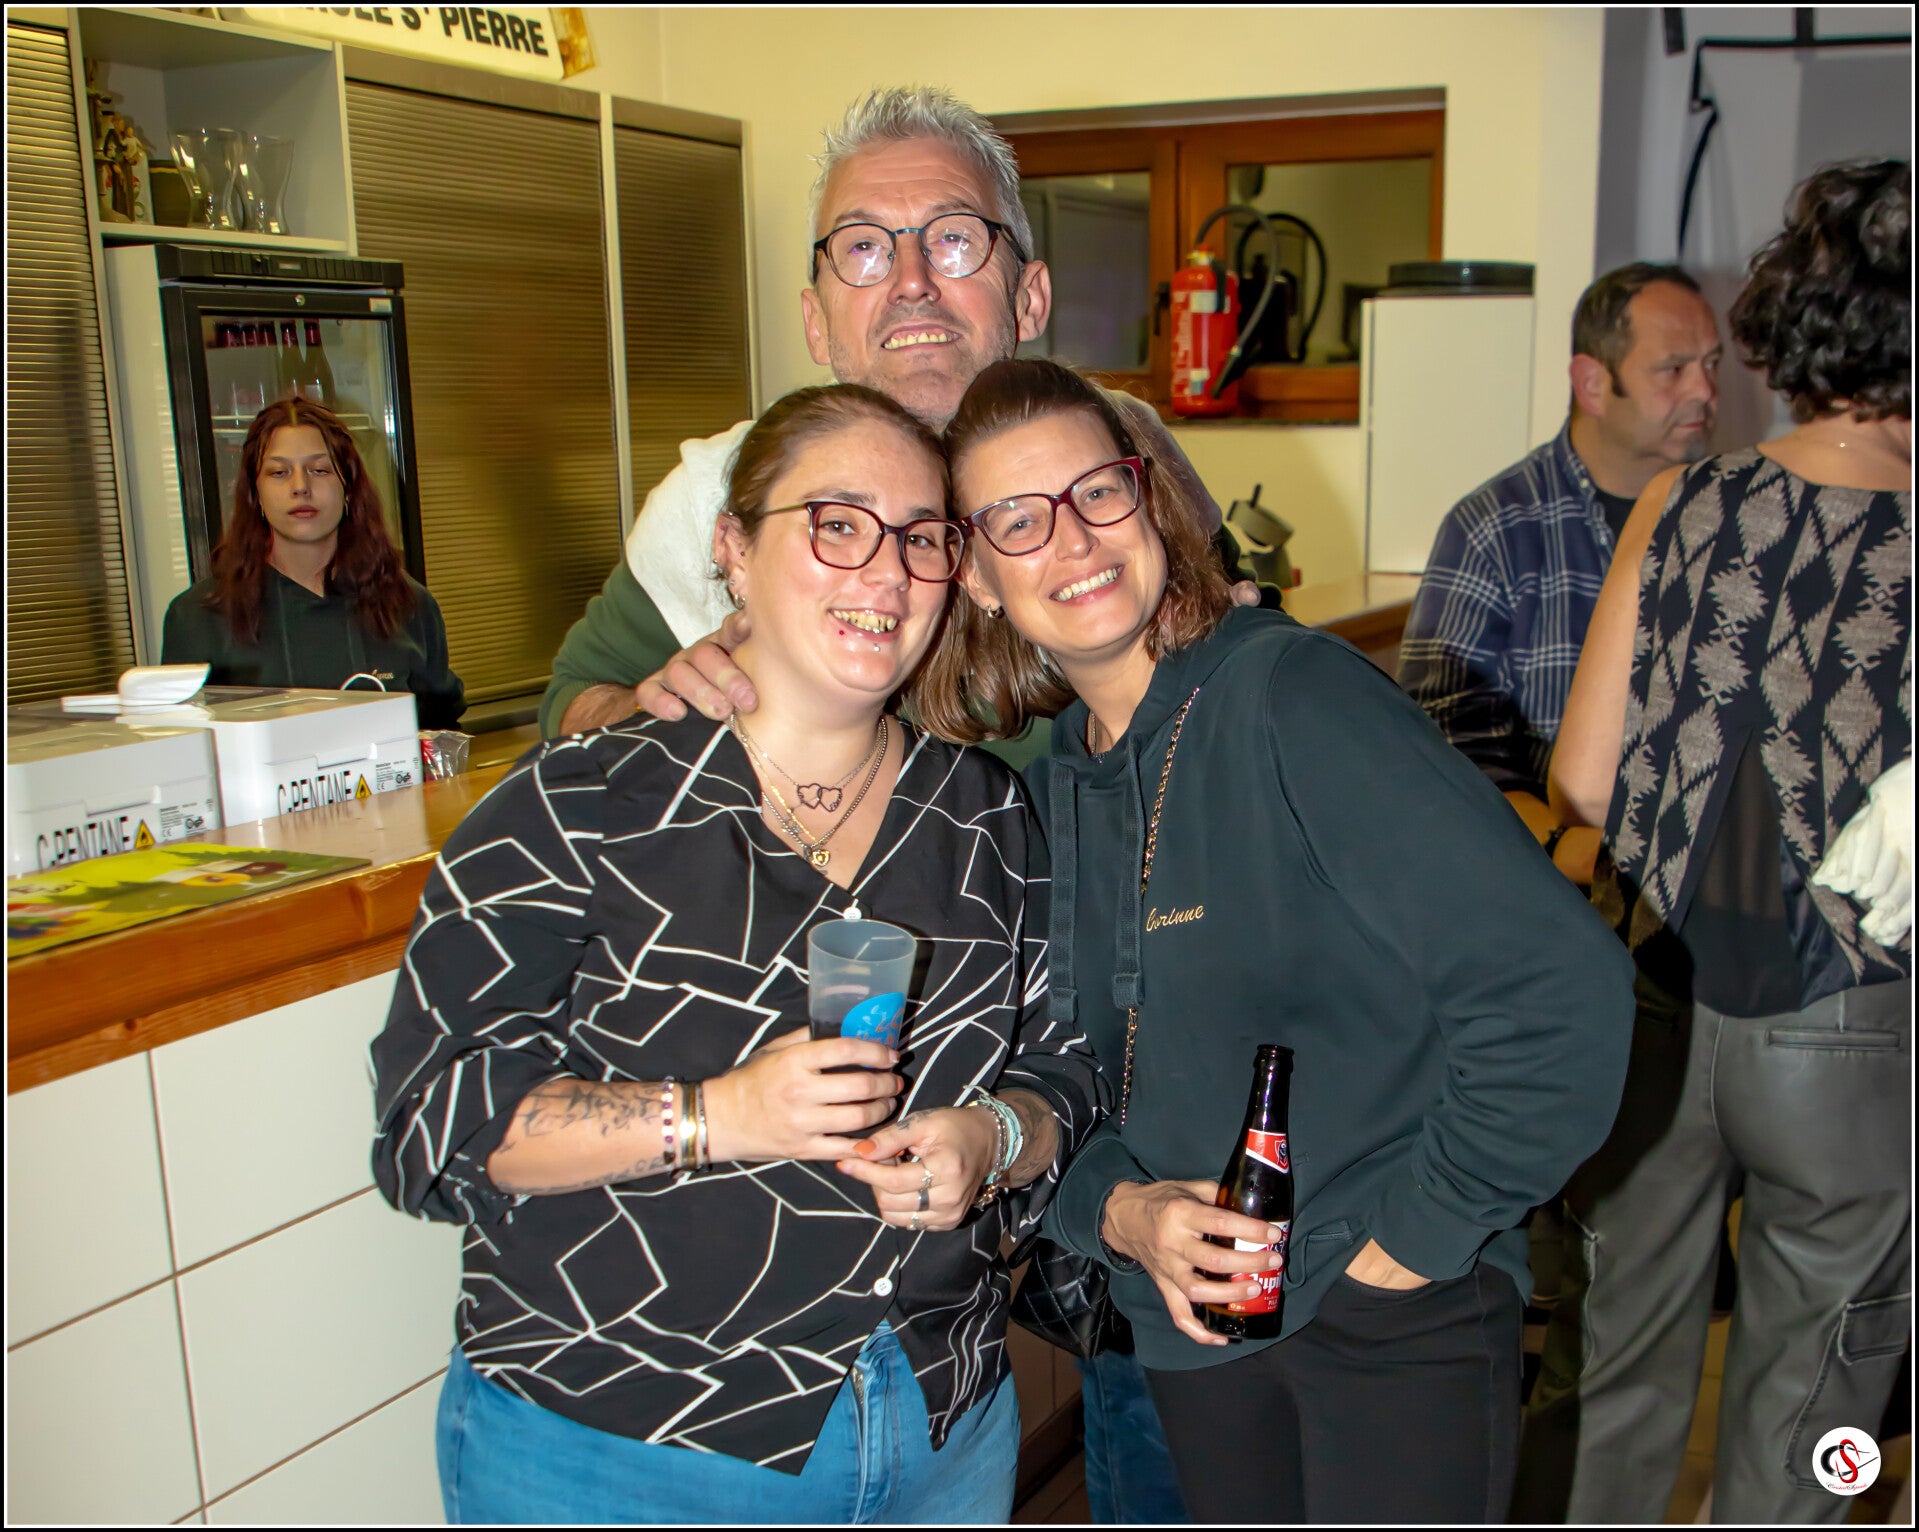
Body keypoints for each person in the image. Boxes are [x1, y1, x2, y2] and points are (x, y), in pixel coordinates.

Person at [547, 84, 1210, 1524]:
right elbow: (570, 722)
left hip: (1123, 1114)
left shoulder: (1109, 488)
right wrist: (653, 703)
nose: (907, 282)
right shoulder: (722, 510)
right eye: (862, 247)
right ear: (814, 312)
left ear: (1028, 290)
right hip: (774, 1236)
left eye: (950, 241)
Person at [913, 356, 1630, 1524]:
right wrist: (1123, 1214)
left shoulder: (1291, 696)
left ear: (1148, 500)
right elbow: (1046, 1081)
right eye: (1016, 518)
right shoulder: (1040, 797)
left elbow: (1561, 990)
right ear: (978, 575)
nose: (1072, 538)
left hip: (1390, 1314)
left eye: (1097, 490)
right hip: (1191, 1332)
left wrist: (1409, 1242)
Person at [370, 385, 1098, 1524]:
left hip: (935, 1431)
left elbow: (1067, 1067)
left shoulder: (984, 817)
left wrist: (994, 1137)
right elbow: (432, 1121)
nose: (885, 572)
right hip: (621, 1446)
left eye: (920, 538)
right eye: (837, 524)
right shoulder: (579, 803)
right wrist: (714, 1115)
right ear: (732, 549)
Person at [1515, 158, 1912, 1526]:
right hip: (1850, 1024)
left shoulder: (1679, 503)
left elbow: (1579, 779)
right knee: (1816, 1398)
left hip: (1653, 1009)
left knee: (1611, 1376)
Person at [1398, 263, 1723, 886]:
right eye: (1674, 368)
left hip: (1708, 887)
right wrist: (1572, 852)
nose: (1704, 390)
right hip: (1549, 891)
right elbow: (1442, 747)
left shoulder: (1735, 517)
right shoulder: (1493, 529)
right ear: (1593, 384)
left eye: (1713, 364)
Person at [161, 396, 463, 727]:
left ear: (349, 487)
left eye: (319, 470)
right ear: (255, 494)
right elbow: (183, 745)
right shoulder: (198, 617)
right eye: (279, 472)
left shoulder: (408, 604)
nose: (301, 487)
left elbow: (442, 733)